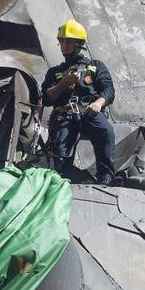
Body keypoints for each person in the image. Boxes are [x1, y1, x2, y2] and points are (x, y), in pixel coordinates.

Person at [40, 19, 116, 185]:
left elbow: (108, 90)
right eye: (62, 42)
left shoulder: (95, 66)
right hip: (64, 114)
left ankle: (106, 175)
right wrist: (63, 84)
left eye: (69, 42)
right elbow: (46, 99)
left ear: (79, 44)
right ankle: (61, 180)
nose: (64, 46)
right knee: (61, 148)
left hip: (90, 111)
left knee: (105, 132)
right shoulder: (55, 72)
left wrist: (99, 103)